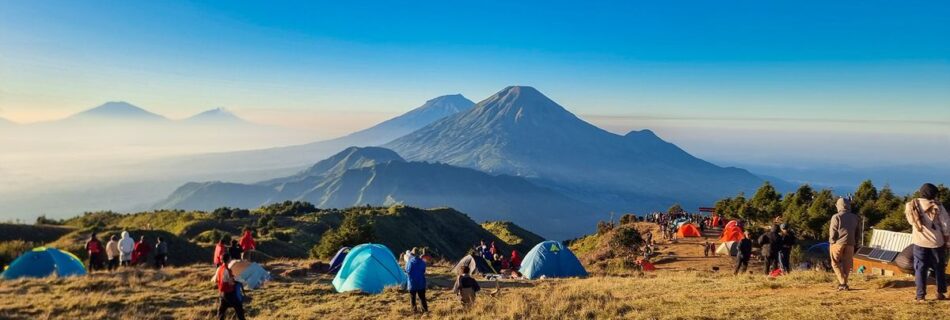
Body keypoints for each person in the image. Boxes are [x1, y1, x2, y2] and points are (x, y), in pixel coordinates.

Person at [905, 183, 950, 302]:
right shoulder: (937, 206)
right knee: (939, 268)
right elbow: (945, 225)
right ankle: (940, 293)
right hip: (937, 242)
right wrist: (947, 240)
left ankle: (920, 296)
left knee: (920, 268)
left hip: (919, 242)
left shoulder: (911, 205)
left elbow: (911, 221)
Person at [829, 197, 863, 291]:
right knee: (847, 264)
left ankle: (842, 283)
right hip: (851, 243)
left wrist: (832, 242)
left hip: (838, 243)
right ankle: (844, 283)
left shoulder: (836, 217)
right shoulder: (855, 217)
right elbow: (858, 232)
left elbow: (833, 231)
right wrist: (856, 243)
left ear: (838, 206)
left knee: (835, 263)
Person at [215, 254, 246, 320]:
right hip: (229, 292)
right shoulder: (227, 270)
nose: (231, 259)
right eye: (230, 258)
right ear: (228, 260)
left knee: (221, 311)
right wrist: (237, 281)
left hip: (222, 292)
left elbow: (216, 280)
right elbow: (230, 282)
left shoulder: (219, 268)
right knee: (239, 307)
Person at [405, 248, 428, 314]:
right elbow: (423, 271)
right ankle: (425, 311)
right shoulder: (422, 262)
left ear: (412, 254)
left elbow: (407, 271)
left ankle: (414, 311)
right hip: (421, 283)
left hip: (412, 284)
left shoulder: (410, 262)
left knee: (413, 298)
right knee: (422, 298)